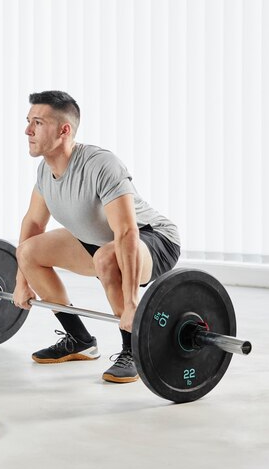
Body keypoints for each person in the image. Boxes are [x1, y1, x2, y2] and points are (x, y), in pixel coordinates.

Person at [12, 91, 181, 383]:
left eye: (37, 122)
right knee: (27, 251)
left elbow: (127, 232)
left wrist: (131, 303)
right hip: (101, 241)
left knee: (107, 256)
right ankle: (80, 340)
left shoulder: (101, 165)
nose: (27, 130)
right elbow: (34, 223)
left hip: (153, 239)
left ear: (64, 130)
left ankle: (134, 349)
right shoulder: (45, 171)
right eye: (28, 121)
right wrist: (20, 282)